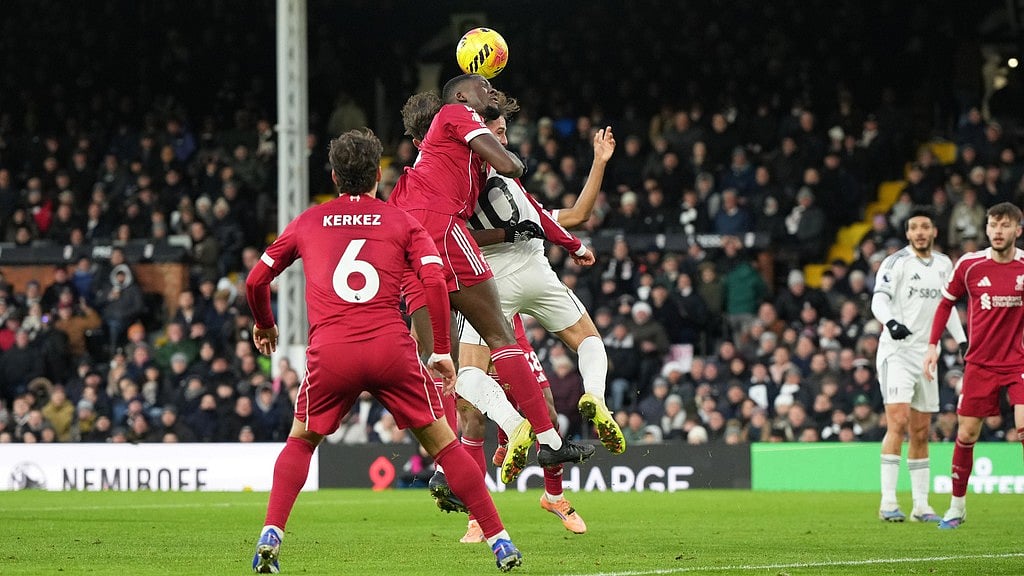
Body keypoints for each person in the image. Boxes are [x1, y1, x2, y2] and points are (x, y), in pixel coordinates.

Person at [245, 129, 522, 573]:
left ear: (335, 176)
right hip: (390, 349)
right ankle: (500, 541)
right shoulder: (400, 221)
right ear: (379, 174)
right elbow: (433, 280)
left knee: (301, 441)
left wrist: (265, 324)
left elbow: (255, 281)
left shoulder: (308, 222)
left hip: (332, 351)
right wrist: (442, 350)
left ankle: (271, 534)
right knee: (445, 446)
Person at [398, 90, 612, 539]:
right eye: (493, 130)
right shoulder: (458, 179)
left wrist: (598, 162)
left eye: (501, 130)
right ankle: (479, 505)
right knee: (467, 404)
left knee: (544, 400)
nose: (499, 135)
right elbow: (477, 228)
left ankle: (550, 490)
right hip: (476, 281)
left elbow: (572, 215)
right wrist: (513, 231)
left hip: (488, 291)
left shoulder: (483, 177)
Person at [923, 202, 1024, 530]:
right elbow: (945, 303)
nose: (997, 231)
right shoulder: (969, 265)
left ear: (1017, 231)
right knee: (966, 434)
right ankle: (957, 507)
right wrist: (932, 346)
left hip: (1018, 362)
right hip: (979, 363)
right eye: (993, 225)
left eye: (1005, 225)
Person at [871, 209, 966, 522]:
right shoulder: (895, 262)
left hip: (927, 355)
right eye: (914, 228)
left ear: (934, 231)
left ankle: (921, 506)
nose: (920, 232)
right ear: (908, 233)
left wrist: (962, 340)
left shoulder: (943, 264)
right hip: (897, 352)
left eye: (925, 226)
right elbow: (878, 300)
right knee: (897, 421)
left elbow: (947, 307)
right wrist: (891, 321)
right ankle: (887, 503)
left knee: (922, 430)